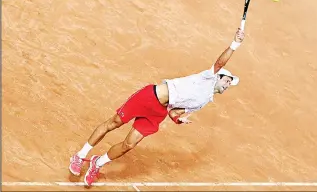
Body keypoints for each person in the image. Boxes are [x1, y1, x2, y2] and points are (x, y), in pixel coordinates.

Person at [69, 28, 245, 186]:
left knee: (129, 145)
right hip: (149, 97)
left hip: (158, 112)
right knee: (113, 123)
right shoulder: (208, 77)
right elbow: (220, 62)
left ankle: (97, 163)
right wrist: (235, 44)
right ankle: (79, 155)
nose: (228, 85)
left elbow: (174, 112)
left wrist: (179, 119)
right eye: (227, 80)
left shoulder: (205, 100)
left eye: (230, 83)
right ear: (219, 77)